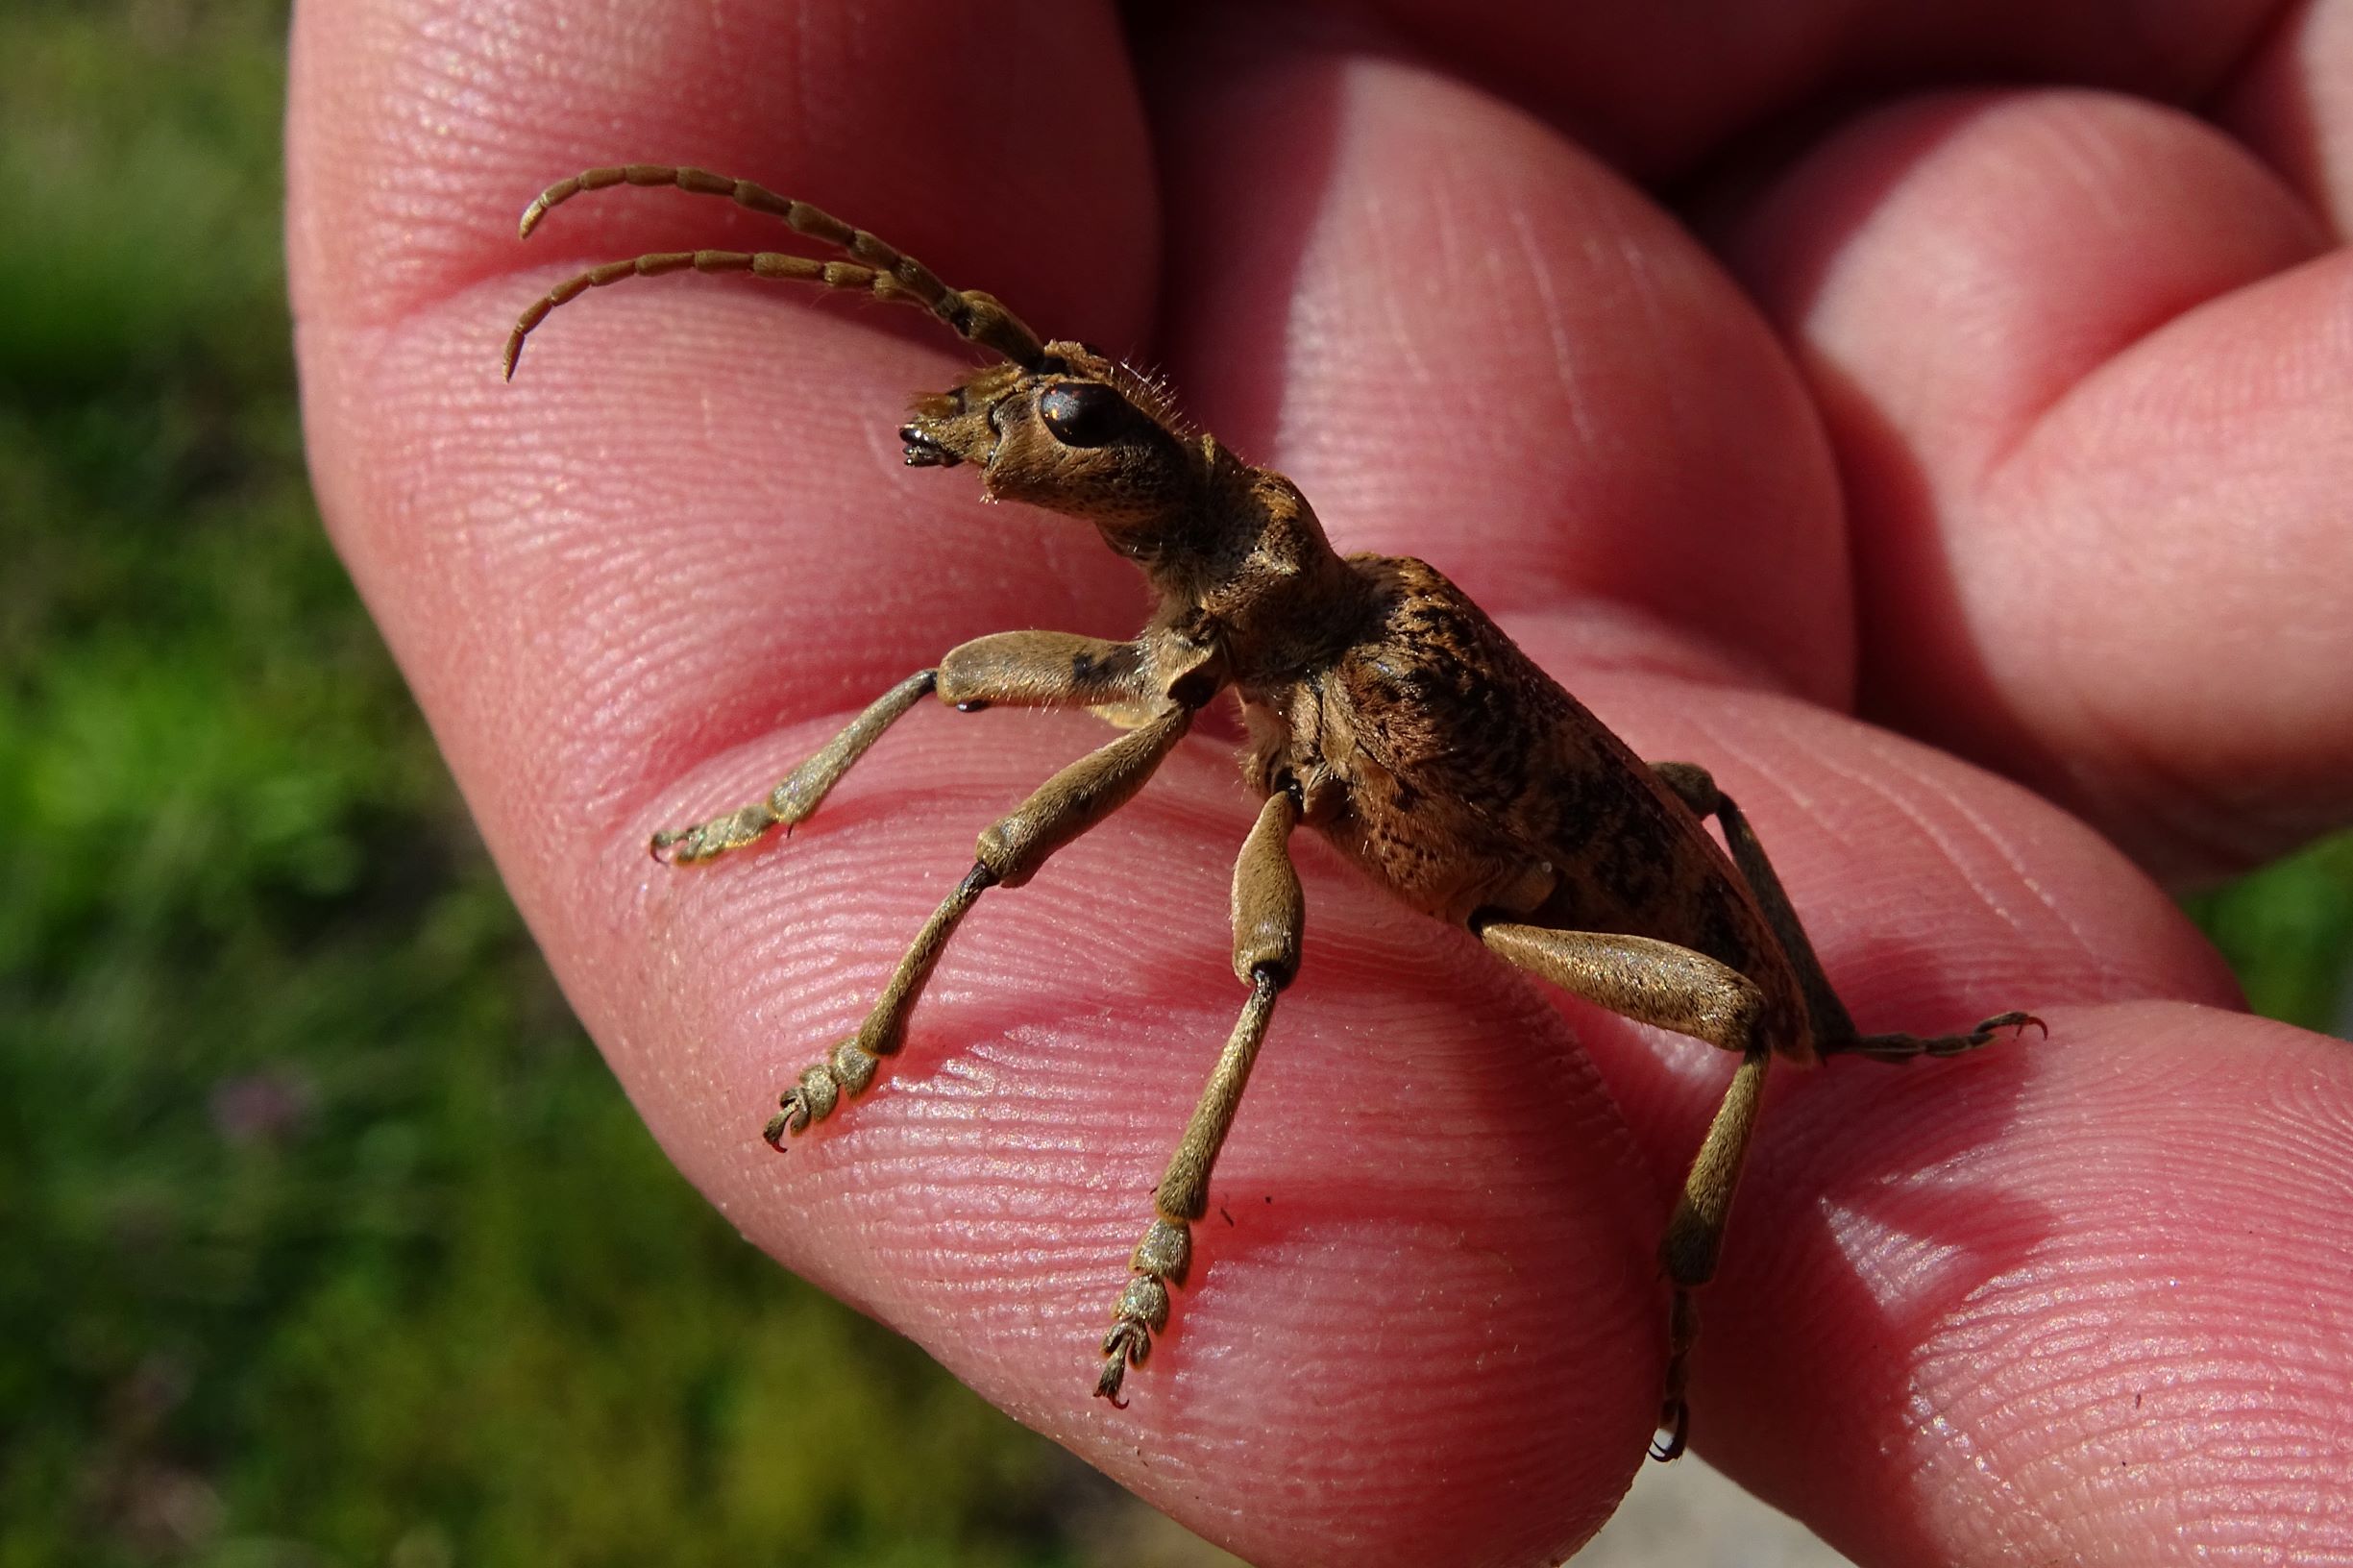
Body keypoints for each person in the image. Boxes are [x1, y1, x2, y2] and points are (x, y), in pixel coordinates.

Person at [286, 3, 2353, 1562]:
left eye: (1052, 429)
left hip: (1575, 894)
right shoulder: (1209, 635)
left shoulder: (1359, 651)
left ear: (1162, 489)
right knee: (953, 697)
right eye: (1030, 425)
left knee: (1599, 986)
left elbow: (1663, 819)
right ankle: (791, 831)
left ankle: (1425, 1233)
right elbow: (1011, 645)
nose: (1006, 442)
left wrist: (1822, 1033)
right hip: (1356, 759)